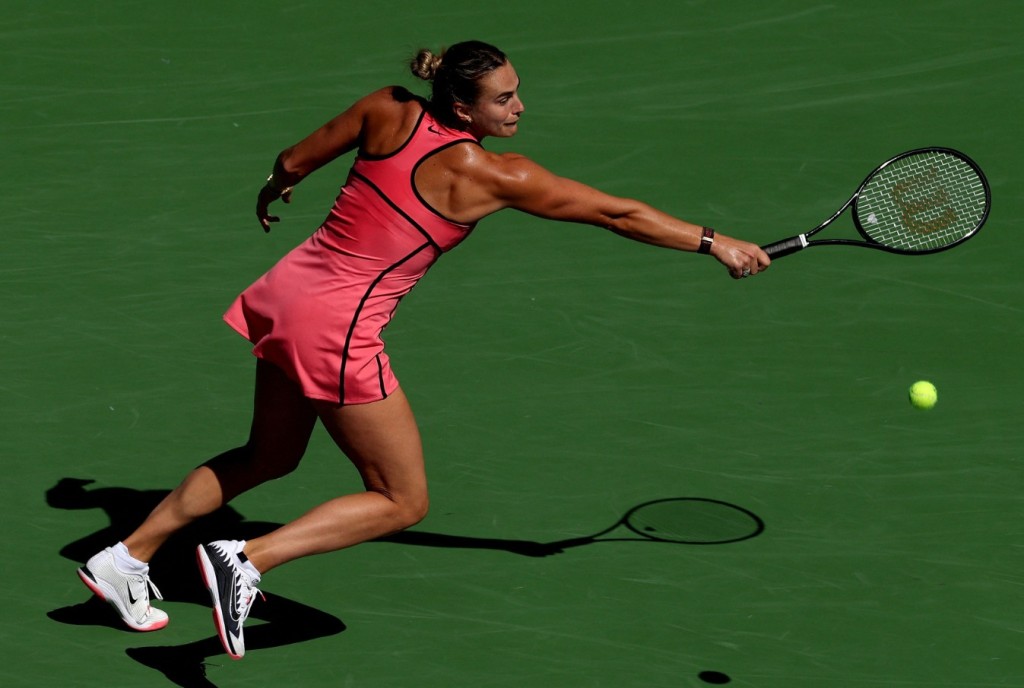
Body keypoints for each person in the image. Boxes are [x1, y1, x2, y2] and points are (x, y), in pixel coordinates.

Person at [75, 40, 770, 660]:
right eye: (503, 99)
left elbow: (292, 161)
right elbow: (618, 212)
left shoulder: (387, 108)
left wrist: (277, 186)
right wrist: (716, 243)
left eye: (517, 91)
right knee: (401, 501)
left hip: (284, 296)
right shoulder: (493, 175)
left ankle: (125, 557)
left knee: (269, 456)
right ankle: (248, 558)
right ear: (463, 108)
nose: (519, 107)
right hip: (338, 330)